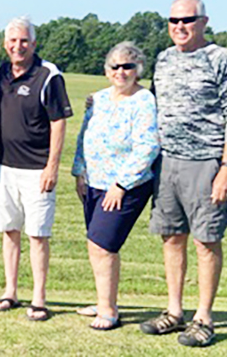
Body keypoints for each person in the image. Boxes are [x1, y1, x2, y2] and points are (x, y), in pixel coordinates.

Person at [139, 0, 227, 347]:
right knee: (171, 237)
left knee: (206, 240)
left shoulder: (222, 59)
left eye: (187, 20)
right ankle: (174, 312)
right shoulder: (163, 59)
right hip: (166, 162)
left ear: (204, 21)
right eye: (174, 21)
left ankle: (204, 318)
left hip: (207, 164)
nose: (180, 27)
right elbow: (152, 103)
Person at [71, 42, 159, 330]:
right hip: (93, 182)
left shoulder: (144, 100)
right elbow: (85, 135)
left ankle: (108, 311)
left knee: (101, 243)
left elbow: (148, 146)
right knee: (99, 245)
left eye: (128, 66)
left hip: (126, 185)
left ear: (138, 70)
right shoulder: (97, 99)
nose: (121, 72)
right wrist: (79, 173)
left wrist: (121, 184)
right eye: (115, 66)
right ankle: (104, 299)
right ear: (107, 71)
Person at [0, 16, 73, 321]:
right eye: (12, 41)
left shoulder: (48, 75)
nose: (18, 46)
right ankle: (10, 291)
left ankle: (39, 297)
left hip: (38, 169)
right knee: (9, 230)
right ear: (5, 44)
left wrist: (53, 166)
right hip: (5, 168)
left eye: (24, 40)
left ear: (34, 44)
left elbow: (59, 121)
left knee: (37, 234)